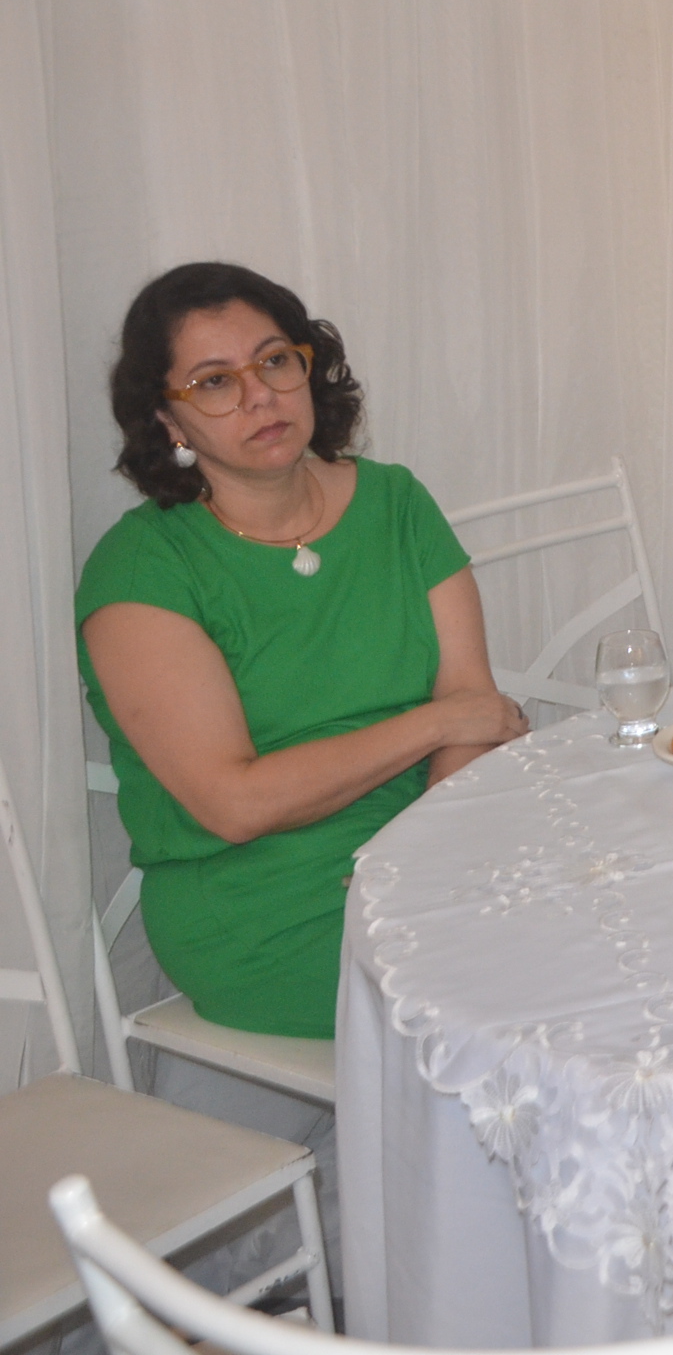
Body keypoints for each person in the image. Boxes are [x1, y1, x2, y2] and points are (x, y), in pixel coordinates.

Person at [78, 263, 527, 1039]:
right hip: (266, 910)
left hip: (437, 847)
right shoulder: (143, 569)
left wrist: (416, 860)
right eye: (214, 382)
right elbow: (236, 804)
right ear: (169, 421)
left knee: (631, 915)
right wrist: (434, 723)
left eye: (275, 360)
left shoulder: (395, 502)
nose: (259, 396)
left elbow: (475, 713)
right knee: (545, 986)